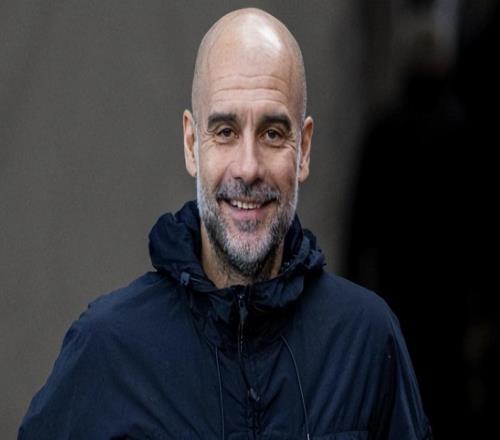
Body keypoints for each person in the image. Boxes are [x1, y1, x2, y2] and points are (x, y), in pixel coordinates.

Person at [19, 8, 432, 440]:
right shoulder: (108, 349)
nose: (248, 167)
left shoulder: (366, 342)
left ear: (304, 150)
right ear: (191, 144)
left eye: (273, 133)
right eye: (225, 132)